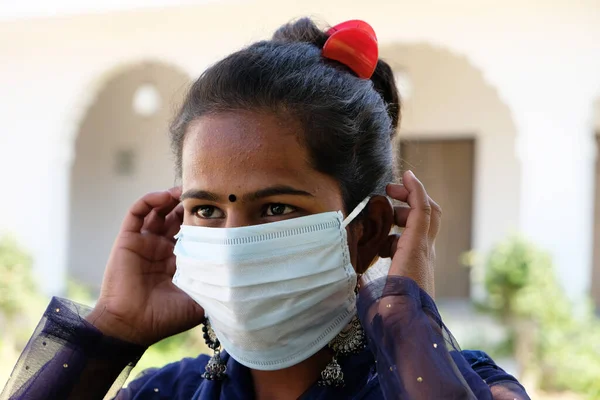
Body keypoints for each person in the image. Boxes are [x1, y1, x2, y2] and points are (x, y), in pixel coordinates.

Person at [2, 18, 530, 400]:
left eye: (276, 207)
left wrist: (405, 320)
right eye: (206, 210)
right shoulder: (166, 393)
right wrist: (115, 326)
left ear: (367, 229)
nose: (234, 244)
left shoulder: (467, 387)